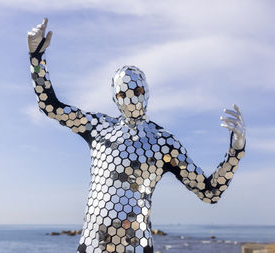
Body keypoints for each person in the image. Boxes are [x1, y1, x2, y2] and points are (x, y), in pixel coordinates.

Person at [27, 18, 246, 253]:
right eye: (122, 93)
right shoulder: (98, 127)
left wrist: (236, 152)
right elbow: (50, 106)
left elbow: (210, 192)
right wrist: (36, 57)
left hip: (137, 246)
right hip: (92, 245)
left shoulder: (163, 143)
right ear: (115, 99)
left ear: (147, 92)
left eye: (137, 90)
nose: (131, 98)